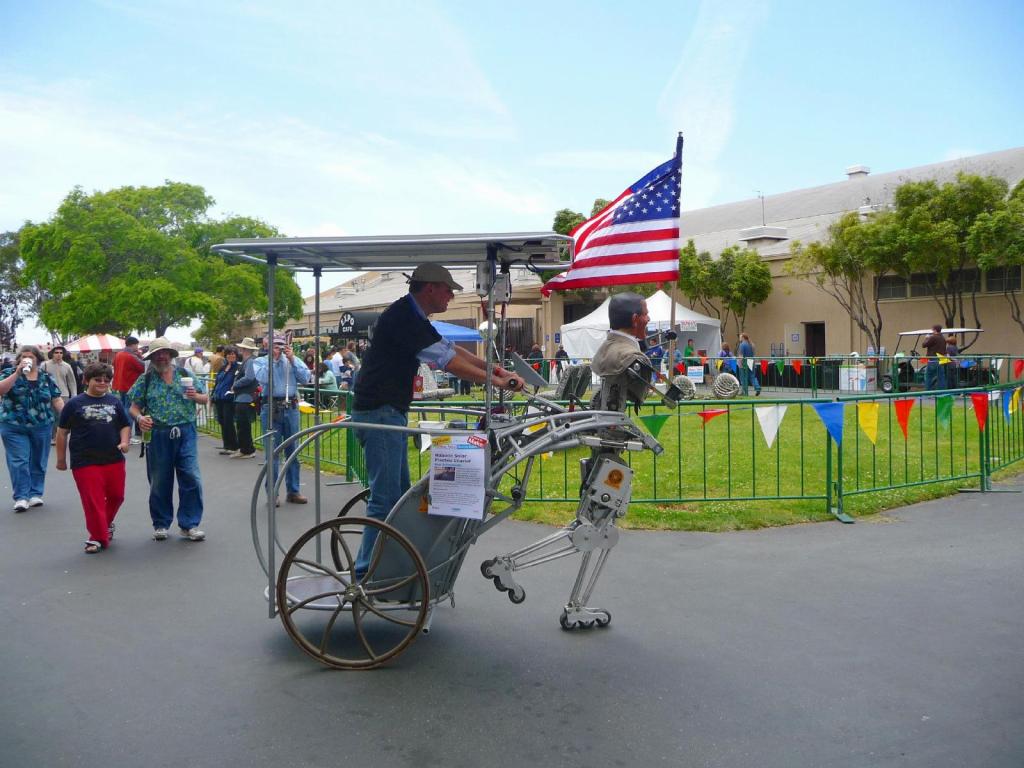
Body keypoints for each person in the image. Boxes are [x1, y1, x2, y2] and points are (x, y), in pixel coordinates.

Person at [351, 263, 522, 574]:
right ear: (430, 288)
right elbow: (448, 362)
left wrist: (496, 370)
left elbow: (451, 349)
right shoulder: (404, 318)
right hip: (380, 412)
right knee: (385, 499)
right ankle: (364, 575)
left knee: (397, 498)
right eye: (448, 290)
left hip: (387, 412)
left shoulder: (413, 315)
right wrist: (496, 381)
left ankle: (388, 568)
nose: (450, 298)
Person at [127, 337, 208, 541]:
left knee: (191, 476)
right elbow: (133, 407)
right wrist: (139, 418)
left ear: (171, 355)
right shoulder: (145, 379)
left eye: (165, 353)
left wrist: (195, 396)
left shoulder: (185, 374)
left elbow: (205, 398)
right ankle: (161, 523)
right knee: (159, 480)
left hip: (186, 431)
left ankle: (189, 524)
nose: (161, 356)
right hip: (158, 434)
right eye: (157, 354)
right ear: (152, 357)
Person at [55, 362, 130, 554]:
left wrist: (124, 441)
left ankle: (105, 524)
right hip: (84, 460)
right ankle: (97, 537)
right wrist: (61, 459)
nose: (103, 383)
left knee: (117, 496)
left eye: (107, 380)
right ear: (86, 380)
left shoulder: (115, 401)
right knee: (93, 500)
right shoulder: (74, 404)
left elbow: (124, 425)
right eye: (98, 380)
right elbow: (62, 432)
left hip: (113, 457)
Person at [0, 346, 65, 512]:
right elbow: (1, 390)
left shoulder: (46, 377)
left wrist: (66, 416)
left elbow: (56, 399)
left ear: (37, 359)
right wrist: (17, 373)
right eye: (23, 356)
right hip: (13, 425)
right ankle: (21, 496)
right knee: (19, 460)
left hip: (42, 425)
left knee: (38, 460)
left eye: (30, 356)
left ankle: (35, 493)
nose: (27, 359)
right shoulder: (9, 373)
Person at [254, 336, 312, 503]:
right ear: (267, 346)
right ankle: (272, 493)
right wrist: (274, 360)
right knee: (272, 453)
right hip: (270, 407)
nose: (279, 348)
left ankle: (293, 490)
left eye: (281, 345)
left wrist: (292, 359)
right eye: (275, 345)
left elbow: (305, 378)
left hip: (291, 408)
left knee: (293, 450)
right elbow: (263, 378)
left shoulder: (293, 360)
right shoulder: (260, 361)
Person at [590, 293, 652, 413]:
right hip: (612, 423)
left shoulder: (604, 350)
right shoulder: (633, 358)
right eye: (645, 314)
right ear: (635, 319)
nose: (648, 319)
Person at [41, 345, 78, 443]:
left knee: (61, 417)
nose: (59, 355)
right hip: (48, 394)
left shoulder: (67, 366)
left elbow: (71, 382)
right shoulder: (45, 365)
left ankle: (58, 436)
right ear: (52, 354)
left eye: (61, 353)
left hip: (63, 394)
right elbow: (40, 379)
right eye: (56, 352)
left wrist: (74, 395)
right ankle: (52, 436)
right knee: (50, 416)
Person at [230, 337, 261, 459]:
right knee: (242, 425)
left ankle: (247, 450)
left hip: (245, 397)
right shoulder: (248, 361)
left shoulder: (250, 362)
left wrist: (235, 384)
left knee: (243, 425)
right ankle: (245, 449)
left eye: (241, 348)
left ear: (244, 349)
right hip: (243, 397)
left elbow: (249, 377)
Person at [113, 336, 145, 443]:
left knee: (122, 409)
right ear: (133, 345)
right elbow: (143, 367)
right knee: (129, 410)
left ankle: (121, 435)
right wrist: (140, 356)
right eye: (136, 345)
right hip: (130, 386)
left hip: (120, 385)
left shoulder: (118, 354)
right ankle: (128, 436)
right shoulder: (131, 356)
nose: (137, 347)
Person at [211, 346, 240, 455]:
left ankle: (233, 446)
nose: (231, 356)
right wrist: (212, 395)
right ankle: (226, 445)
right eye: (229, 354)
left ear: (236, 355)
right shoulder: (222, 368)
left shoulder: (238, 368)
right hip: (219, 398)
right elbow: (217, 382)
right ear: (226, 355)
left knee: (229, 422)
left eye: (233, 354)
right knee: (222, 421)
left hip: (229, 398)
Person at [922, 324, 947, 391]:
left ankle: (928, 391)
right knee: (941, 377)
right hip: (941, 358)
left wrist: (926, 338)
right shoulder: (943, 338)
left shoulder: (933, 337)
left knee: (929, 376)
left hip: (933, 359)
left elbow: (924, 345)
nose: (932, 331)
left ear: (935, 330)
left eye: (932, 329)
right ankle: (941, 392)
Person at [737, 332, 761, 396]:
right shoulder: (751, 344)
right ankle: (757, 388)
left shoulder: (742, 345)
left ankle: (744, 391)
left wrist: (740, 363)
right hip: (751, 361)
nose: (739, 338)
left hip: (744, 362)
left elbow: (741, 355)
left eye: (740, 337)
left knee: (743, 377)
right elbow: (753, 354)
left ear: (743, 338)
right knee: (752, 376)